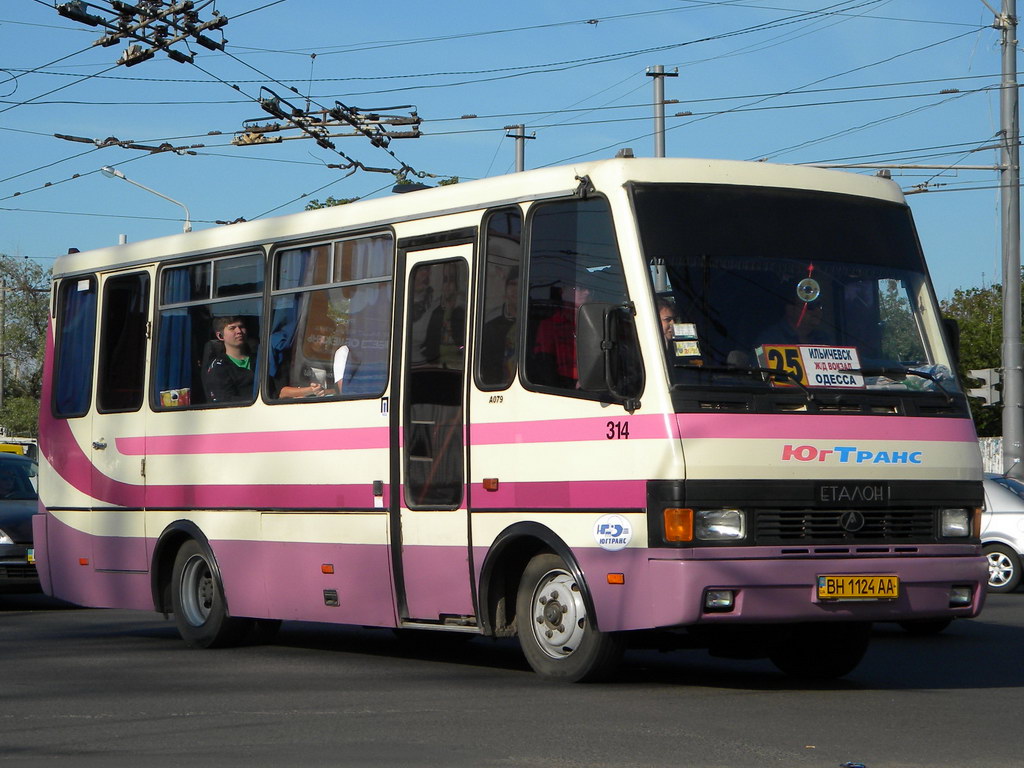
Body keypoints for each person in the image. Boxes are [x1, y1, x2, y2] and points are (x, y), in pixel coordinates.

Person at [532, 282, 590, 387]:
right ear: (563, 292)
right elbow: (544, 367)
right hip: (563, 391)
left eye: (588, 289)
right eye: (579, 288)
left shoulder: (594, 324)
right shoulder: (549, 325)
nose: (587, 292)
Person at [204, 316, 257, 403]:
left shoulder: (259, 359)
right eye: (232, 328)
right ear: (220, 336)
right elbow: (224, 401)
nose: (239, 331)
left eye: (241, 327)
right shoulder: (218, 368)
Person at [480, 268, 518, 384]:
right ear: (506, 289)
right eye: (513, 284)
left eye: (521, 284)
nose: (516, 289)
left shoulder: (536, 323)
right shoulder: (490, 325)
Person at [760, 297, 830, 346]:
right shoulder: (770, 339)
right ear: (790, 309)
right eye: (810, 306)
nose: (818, 310)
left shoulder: (823, 339)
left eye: (820, 306)